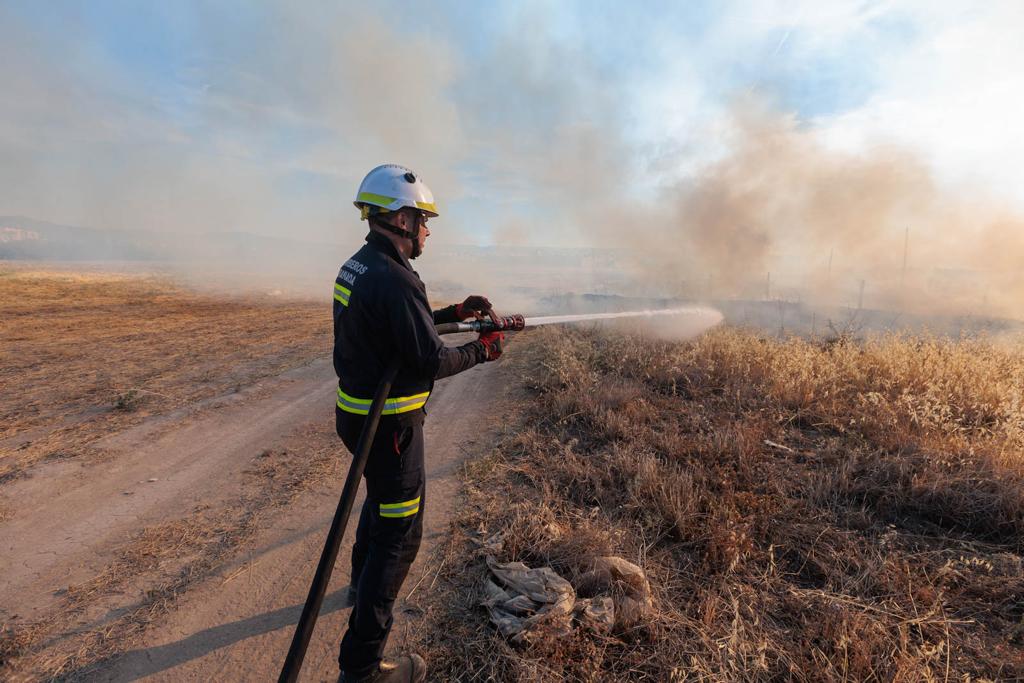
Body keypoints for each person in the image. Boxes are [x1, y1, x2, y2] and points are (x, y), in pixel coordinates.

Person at [333, 164, 504, 682]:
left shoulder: (362, 265)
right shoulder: (394, 278)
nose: (428, 229)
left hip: (360, 421)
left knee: (381, 506)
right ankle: (363, 668)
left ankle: (360, 587)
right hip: (391, 430)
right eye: (424, 219)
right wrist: (482, 349)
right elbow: (429, 360)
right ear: (402, 218)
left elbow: (402, 327)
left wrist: (456, 309)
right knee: (400, 535)